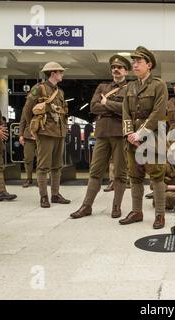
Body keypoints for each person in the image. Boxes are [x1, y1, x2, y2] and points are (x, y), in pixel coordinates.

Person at [70, 54, 131, 219]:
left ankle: (116, 206)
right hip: (103, 133)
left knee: (120, 172)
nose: (116, 70)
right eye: (113, 68)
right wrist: (115, 108)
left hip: (120, 134)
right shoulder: (102, 87)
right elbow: (94, 107)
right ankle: (86, 206)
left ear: (126, 71)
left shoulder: (131, 88)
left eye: (119, 68)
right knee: (95, 171)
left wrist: (107, 104)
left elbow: (129, 109)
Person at [120, 46, 168, 229]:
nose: (135, 64)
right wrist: (129, 134)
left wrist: (140, 133)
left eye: (139, 61)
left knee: (156, 176)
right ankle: (136, 211)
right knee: (135, 176)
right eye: (133, 62)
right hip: (132, 140)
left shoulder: (159, 85)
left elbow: (159, 112)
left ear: (149, 65)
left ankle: (160, 215)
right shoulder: (130, 86)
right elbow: (125, 111)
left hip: (153, 138)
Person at [23, 61, 70, 208]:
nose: (62, 74)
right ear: (53, 73)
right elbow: (27, 109)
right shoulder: (39, 89)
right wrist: (33, 126)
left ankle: (55, 194)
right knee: (43, 167)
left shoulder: (60, 92)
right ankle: (44, 196)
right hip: (45, 132)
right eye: (60, 72)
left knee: (57, 166)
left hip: (59, 132)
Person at [19, 103, 37, 188]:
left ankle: (40, 179)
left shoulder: (44, 104)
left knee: (41, 159)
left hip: (41, 135)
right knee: (28, 159)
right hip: (28, 135)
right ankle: (28, 178)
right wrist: (20, 135)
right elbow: (22, 121)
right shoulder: (26, 107)